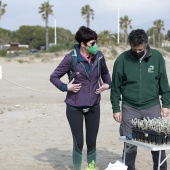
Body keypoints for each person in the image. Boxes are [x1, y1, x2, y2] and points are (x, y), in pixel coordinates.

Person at [50, 26, 111, 170]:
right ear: (83, 44)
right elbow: (53, 77)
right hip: (74, 107)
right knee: (78, 143)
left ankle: (90, 168)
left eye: (96, 42)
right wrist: (66, 87)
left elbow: (106, 74)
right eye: (92, 43)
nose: (95, 46)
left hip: (94, 105)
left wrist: (107, 84)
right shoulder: (71, 57)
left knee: (91, 142)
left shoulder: (99, 56)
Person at [110, 29, 170, 170]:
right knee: (129, 145)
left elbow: (164, 83)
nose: (137, 52)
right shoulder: (122, 59)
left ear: (145, 44)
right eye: (134, 49)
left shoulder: (157, 57)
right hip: (129, 108)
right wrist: (116, 108)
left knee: (158, 146)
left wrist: (166, 104)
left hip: (152, 106)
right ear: (130, 45)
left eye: (140, 49)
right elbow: (115, 88)